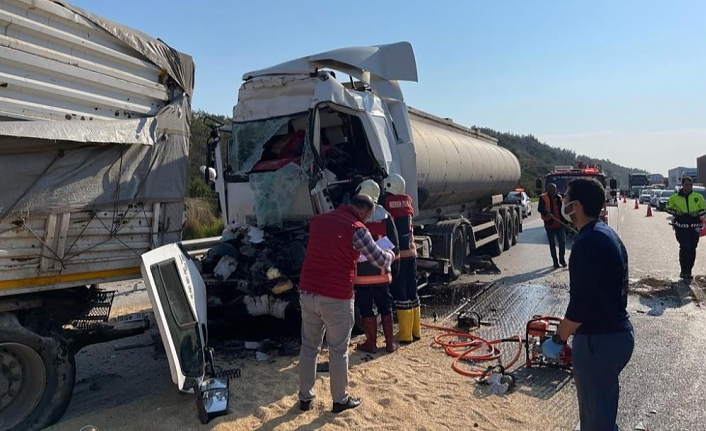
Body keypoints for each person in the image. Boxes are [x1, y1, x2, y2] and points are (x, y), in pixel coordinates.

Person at [541, 178, 634, 431]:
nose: (563, 203)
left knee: (596, 422)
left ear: (576, 205)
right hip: (617, 333)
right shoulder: (606, 233)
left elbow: (580, 306)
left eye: (566, 198)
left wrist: (558, 339)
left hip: (598, 341)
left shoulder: (586, 243)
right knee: (602, 411)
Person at [298, 194, 395, 414]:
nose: (367, 222)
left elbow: (327, 248)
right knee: (338, 350)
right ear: (362, 211)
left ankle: (305, 398)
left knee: (309, 347)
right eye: (368, 217)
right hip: (336, 295)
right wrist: (390, 255)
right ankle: (340, 399)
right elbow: (378, 259)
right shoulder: (357, 228)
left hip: (308, 291)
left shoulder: (319, 220)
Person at [353, 180, 400, 354]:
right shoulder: (385, 215)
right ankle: (389, 343)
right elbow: (394, 244)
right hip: (381, 272)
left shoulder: (355, 216)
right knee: (385, 306)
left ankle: (370, 343)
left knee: (365, 307)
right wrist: (395, 266)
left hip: (361, 274)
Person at [383, 174, 421, 344]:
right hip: (412, 253)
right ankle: (415, 331)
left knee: (401, 292)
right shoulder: (407, 201)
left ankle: (404, 334)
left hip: (399, 255)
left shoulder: (388, 203)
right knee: (413, 290)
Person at [666, 176, 706, 279]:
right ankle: (683, 270)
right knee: (684, 247)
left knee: (692, 248)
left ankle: (689, 271)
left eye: (690, 185)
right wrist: (677, 212)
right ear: (682, 185)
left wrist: (696, 213)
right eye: (686, 185)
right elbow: (668, 208)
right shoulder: (674, 197)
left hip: (694, 226)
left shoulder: (698, 197)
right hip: (681, 226)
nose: (689, 187)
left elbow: (704, 209)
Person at [538, 183, 566, 268]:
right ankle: (555, 262)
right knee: (552, 244)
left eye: (554, 190)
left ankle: (562, 259)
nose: (553, 192)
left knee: (562, 243)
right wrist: (547, 213)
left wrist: (565, 221)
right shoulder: (543, 198)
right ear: (547, 190)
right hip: (550, 225)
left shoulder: (559, 198)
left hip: (559, 225)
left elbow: (562, 210)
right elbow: (540, 208)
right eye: (551, 190)